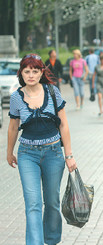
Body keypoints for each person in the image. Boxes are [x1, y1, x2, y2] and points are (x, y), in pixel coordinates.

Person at [6, 54, 77, 245]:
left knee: (52, 202)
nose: (31, 75)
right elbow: (13, 127)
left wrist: (69, 155)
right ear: (21, 73)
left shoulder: (53, 92)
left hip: (53, 154)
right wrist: (9, 152)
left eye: (35, 71)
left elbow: (64, 125)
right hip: (27, 154)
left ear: (41, 72)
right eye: (27, 71)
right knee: (33, 204)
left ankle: (52, 240)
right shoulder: (16, 97)